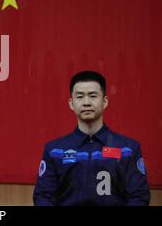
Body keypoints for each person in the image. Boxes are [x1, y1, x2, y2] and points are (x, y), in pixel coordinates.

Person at [33, 70, 150, 206]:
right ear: (71, 103)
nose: (86, 102)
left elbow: (139, 197)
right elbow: (43, 197)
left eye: (93, 96)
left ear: (105, 101)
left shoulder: (128, 149)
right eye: (80, 96)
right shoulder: (54, 151)